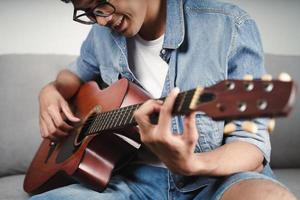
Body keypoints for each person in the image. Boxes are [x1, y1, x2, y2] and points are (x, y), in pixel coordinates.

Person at [30, 0, 296, 199]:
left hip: (214, 181)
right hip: (130, 182)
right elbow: (74, 73)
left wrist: (192, 163)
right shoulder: (101, 35)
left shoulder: (230, 26)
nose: (100, 20)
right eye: (88, 13)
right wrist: (51, 91)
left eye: (102, 4)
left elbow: (252, 147)